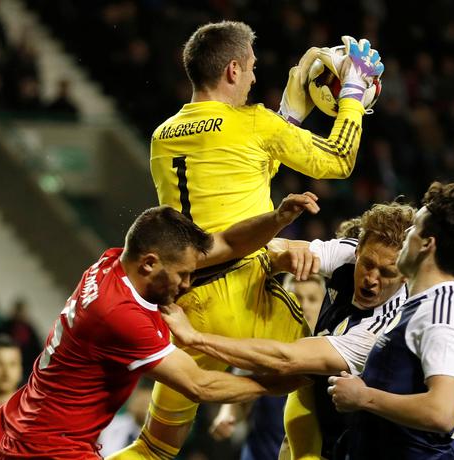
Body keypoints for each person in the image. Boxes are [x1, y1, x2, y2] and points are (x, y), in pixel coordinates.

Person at [116, 20, 385, 460]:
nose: (257, 77)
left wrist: (291, 117)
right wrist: (353, 93)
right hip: (247, 296)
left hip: (185, 306)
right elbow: (339, 160)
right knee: (313, 372)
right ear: (234, 71)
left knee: (155, 447)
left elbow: (239, 170)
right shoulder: (255, 124)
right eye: (253, 68)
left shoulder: (162, 137)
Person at [0, 193, 317, 459]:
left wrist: (277, 220)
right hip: (48, 450)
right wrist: (273, 384)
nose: (189, 284)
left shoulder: (115, 261)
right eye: (183, 275)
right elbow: (200, 385)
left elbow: (229, 244)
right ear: (149, 263)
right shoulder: (119, 315)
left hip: (37, 435)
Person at [163, 202, 415, 459]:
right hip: (312, 410)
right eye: (368, 264)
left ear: (406, 273)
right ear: (359, 249)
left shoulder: (383, 328)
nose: (372, 278)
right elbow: (269, 249)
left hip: (358, 442)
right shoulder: (347, 254)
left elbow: (287, 358)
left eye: (386, 272)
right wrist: (277, 256)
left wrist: (196, 338)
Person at [327, 181, 454, 459]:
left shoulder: (441, 315)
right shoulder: (443, 301)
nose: (406, 233)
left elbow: (442, 413)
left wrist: (365, 398)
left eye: (415, 227)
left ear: (426, 244)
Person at [209, 274, 326, 460]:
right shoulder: (263, 346)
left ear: (324, 305)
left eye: (312, 299)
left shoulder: (333, 353)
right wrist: (227, 415)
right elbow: (239, 390)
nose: (303, 305)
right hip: (260, 453)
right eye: (295, 298)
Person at [98, 380, 154, 457]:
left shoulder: (155, 438)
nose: (141, 407)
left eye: (146, 404)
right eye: (138, 398)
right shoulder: (109, 425)